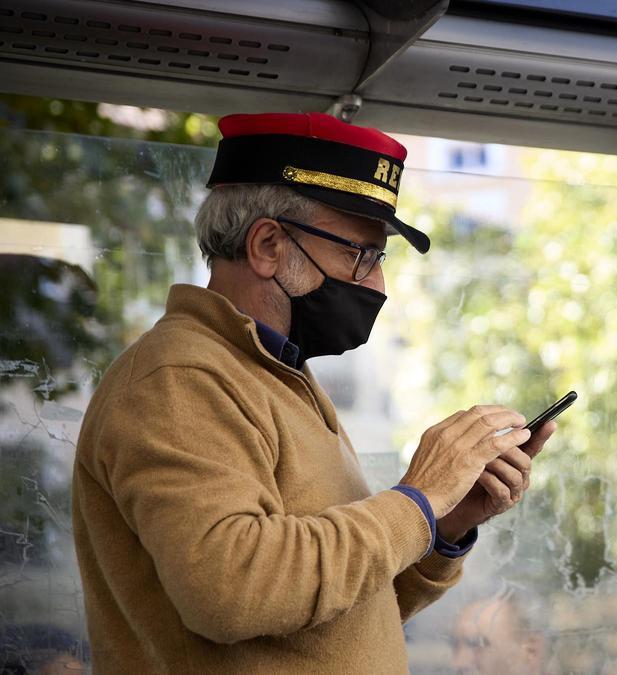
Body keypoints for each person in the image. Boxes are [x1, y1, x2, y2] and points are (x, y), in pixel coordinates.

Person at [70, 112, 556, 673]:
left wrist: (444, 523)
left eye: (379, 258)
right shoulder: (180, 379)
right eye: (360, 255)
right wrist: (415, 503)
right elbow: (231, 592)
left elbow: (338, 613)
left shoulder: (273, 376)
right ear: (269, 245)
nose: (377, 284)